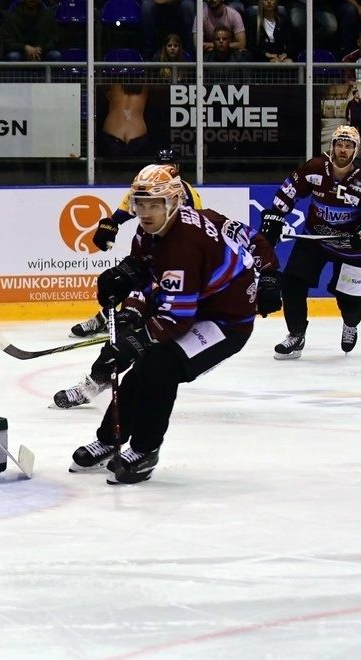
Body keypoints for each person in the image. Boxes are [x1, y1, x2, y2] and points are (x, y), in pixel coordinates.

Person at [69, 164, 270, 485]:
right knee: (140, 368)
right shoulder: (150, 231)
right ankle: (110, 440)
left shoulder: (184, 245)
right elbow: (146, 279)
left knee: (160, 367)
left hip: (225, 321)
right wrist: (129, 310)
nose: (146, 212)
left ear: (174, 202)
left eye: (155, 204)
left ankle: (146, 450)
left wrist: (133, 341)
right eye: (141, 204)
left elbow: (176, 317)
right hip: (195, 304)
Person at [258, 124, 361, 359]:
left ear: (356, 151)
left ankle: (350, 324)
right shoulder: (316, 168)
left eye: (348, 146)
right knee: (292, 282)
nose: (342, 150)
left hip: (352, 246)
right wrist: (276, 215)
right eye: (339, 144)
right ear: (331, 147)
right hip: (316, 239)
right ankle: (296, 335)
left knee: (350, 304)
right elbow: (288, 192)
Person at [69, 149, 203, 339]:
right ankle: (107, 318)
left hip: (175, 259)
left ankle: (138, 319)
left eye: (170, 166)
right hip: (146, 252)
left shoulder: (188, 194)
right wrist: (109, 226)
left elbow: (195, 231)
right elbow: (119, 216)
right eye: (161, 166)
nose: (165, 170)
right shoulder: (144, 188)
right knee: (115, 281)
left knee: (148, 295)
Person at [345, 89, 361, 154]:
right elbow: (347, 111)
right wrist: (347, 119)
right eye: (357, 94)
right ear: (354, 95)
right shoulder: (350, 102)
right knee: (352, 136)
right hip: (353, 121)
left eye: (358, 94)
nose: (358, 95)